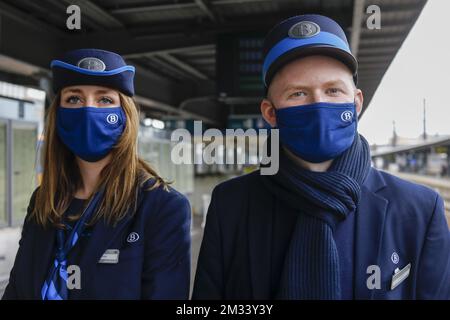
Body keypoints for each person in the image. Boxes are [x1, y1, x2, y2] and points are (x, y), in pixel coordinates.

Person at [193, 14, 450, 300]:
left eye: (333, 90)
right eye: (298, 93)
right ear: (270, 113)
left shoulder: (419, 210)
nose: (319, 104)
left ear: (357, 102)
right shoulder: (230, 205)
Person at [2, 48, 191, 300]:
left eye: (104, 100)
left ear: (126, 116)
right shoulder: (43, 200)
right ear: (58, 115)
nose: (88, 110)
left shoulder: (162, 207)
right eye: (74, 99)